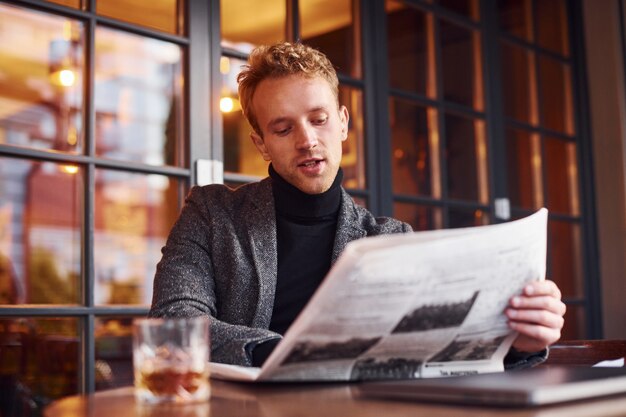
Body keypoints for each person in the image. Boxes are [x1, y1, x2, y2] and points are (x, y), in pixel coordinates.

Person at [150, 42, 566, 368]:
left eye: (319, 119)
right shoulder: (211, 212)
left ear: (344, 122)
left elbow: (433, 347)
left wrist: (517, 344)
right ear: (261, 143)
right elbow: (174, 321)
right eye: (282, 127)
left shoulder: (392, 238)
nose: (307, 140)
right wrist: (285, 355)